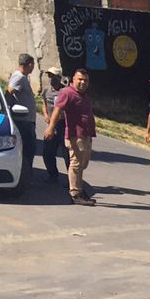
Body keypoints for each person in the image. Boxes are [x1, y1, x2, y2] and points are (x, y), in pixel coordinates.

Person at [44, 68, 96, 206]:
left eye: (86, 80)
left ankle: (79, 189)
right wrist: (51, 128)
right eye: (80, 79)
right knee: (76, 164)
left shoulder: (83, 95)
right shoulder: (67, 93)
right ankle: (75, 193)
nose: (83, 82)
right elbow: (57, 110)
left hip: (85, 135)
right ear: (73, 79)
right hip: (75, 135)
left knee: (83, 164)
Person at [6, 53, 38, 176]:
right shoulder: (19, 77)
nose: (33, 67)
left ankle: (26, 173)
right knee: (28, 149)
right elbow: (9, 92)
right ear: (29, 64)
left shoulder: (23, 77)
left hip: (27, 120)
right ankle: (25, 174)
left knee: (29, 149)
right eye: (33, 64)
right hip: (23, 121)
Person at [38, 67, 68, 184]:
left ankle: (71, 180)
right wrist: (45, 114)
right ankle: (52, 175)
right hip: (51, 125)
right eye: (50, 76)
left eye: (54, 76)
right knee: (48, 152)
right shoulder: (46, 91)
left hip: (63, 125)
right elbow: (44, 104)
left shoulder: (65, 92)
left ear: (59, 77)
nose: (52, 79)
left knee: (66, 154)